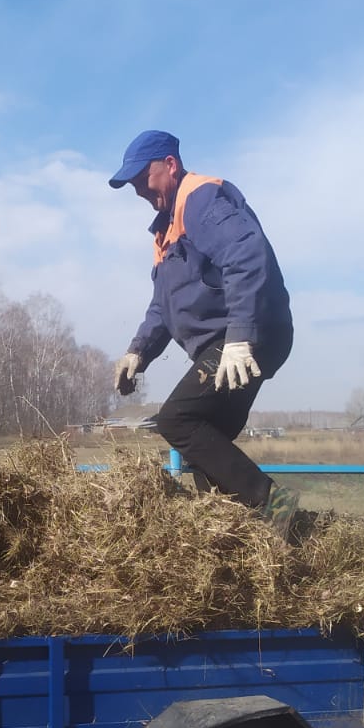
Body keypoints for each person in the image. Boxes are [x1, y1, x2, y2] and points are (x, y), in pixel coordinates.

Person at [108, 130, 299, 528]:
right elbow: (164, 305)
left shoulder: (199, 199)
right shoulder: (166, 230)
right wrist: (138, 351)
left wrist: (241, 335)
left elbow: (246, 253)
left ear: (171, 165)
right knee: (205, 442)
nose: (140, 191)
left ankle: (277, 508)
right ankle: (234, 530)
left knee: (176, 420)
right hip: (225, 341)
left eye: (144, 178)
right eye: (133, 185)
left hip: (245, 334)